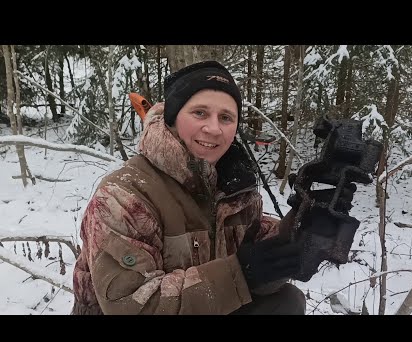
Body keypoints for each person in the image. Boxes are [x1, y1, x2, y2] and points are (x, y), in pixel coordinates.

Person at [71, 60, 351, 315]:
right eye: (200, 113)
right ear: (172, 118)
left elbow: (264, 266)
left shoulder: (236, 192)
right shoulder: (124, 196)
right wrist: (239, 274)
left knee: (286, 301)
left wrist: (307, 221)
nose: (214, 128)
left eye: (226, 118)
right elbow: (132, 306)